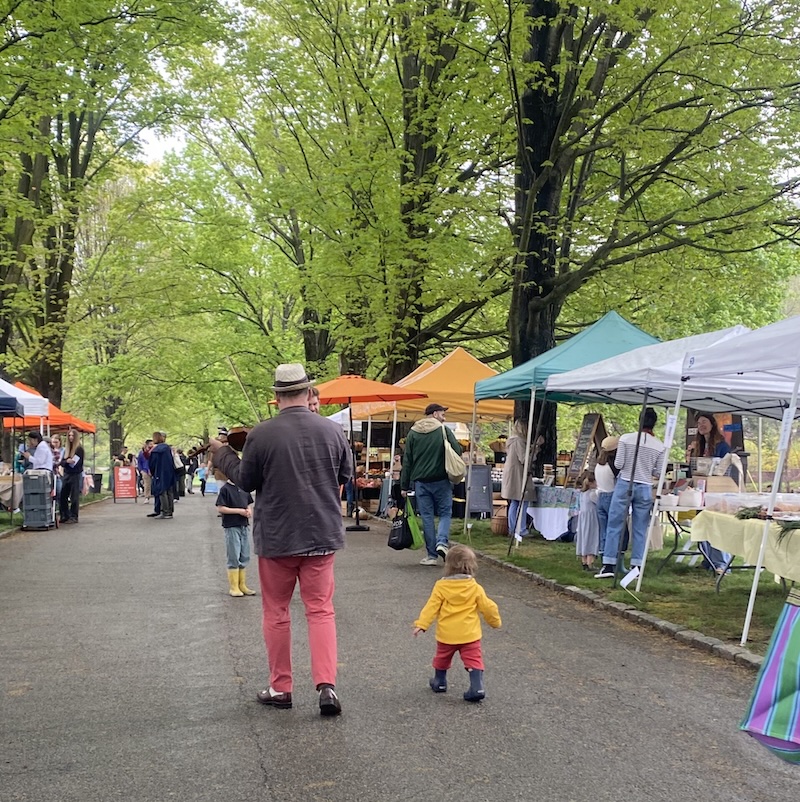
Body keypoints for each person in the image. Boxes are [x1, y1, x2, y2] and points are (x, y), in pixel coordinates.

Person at [207, 362, 352, 717]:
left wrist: (223, 452)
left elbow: (245, 480)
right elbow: (345, 474)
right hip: (321, 531)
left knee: (276, 612)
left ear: (276, 396)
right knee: (320, 610)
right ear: (308, 392)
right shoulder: (333, 432)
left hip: (278, 535)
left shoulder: (262, 434)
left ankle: (281, 687)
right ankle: (327, 686)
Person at [413, 544, 501, 702]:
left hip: (447, 634)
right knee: (474, 660)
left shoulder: (441, 586)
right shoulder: (475, 587)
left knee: (442, 657)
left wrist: (422, 624)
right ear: (472, 566)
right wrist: (494, 622)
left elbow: (431, 607)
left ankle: (439, 682)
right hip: (470, 634)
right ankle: (477, 686)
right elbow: (488, 607)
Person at [595, 408, 665, 579]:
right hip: (645, 486)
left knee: (615, 524)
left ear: (639, 420)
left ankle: (609, 565)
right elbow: (659, 471)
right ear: (654, 423)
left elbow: (618, 464)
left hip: (625, 482)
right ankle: (637, 566)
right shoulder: (660, 446)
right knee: (640, 527)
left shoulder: (626, 438)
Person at [400, 403, 463, 566]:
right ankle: (442, 542)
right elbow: (458, 450)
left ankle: (431, 556)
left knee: (427, 516)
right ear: (435, 414)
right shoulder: (443, 430)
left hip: (421, 482)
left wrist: (404, 486)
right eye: (443, 414)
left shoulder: (413, 433)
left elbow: (407, 461)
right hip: (441, 480)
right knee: (445, 513)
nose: (444, 417)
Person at [687, 412, 732, 574]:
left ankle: (721, 563)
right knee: (703, 524)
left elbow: (724, 468)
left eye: (704, 422)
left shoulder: (721, 445)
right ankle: (708, 559)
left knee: (715, 526)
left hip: (717, 491)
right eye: (699, 423)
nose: (701, 425)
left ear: (712, 424)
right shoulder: (699, 445)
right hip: (701, 490)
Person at [214, 468, 256, 597]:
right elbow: (220, 508)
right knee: (234, 554)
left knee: (244, 554)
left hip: (244, 525)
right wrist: (238, 511)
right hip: (231, 525)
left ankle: (242, 584)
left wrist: (248, 511)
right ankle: (233, 586)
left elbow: (248, 503)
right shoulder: (225, 489)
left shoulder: (244, 488)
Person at [501, 419, 536, 538]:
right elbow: (524, 459)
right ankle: (520, 529)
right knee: (522, 501)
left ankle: (512, 528)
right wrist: (535, 450)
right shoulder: (519, 441)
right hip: (518, 475)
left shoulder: (511, 441)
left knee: (514, 502)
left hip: (512, 474)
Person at [595, 436, 620, 563]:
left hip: (600, 496)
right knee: (614, 529)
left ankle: (603, 555)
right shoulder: (614, 465)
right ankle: (613, 557)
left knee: (603, 529)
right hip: (611, 496)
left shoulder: (599, 464)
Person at [148, 431, 176, 519]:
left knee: (162, 492)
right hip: (169, 472)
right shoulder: (167, 448)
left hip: (159, 472)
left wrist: (152, 472)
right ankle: (170, 511)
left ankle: (165, 511)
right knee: (169, 491)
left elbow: (152, 464)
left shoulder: (156, 450)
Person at [575, 471, 599, 571]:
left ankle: (584, 561)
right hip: (591, 518)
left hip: (583, 519)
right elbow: (599, 503)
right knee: (591, 538)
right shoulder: (592, 494)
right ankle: (590, 562)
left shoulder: (582, 494)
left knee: (583, 537)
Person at [59, 428, 84, 524]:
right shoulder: (66, 450)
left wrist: (68, 462)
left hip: (75, 474)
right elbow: (62, 462)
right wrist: (67, 462)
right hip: (67, 474)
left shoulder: (79, 449)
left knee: (74, 496)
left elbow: (77, 463)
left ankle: (74, 516)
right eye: (69, 435)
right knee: (63, 495)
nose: (71, 437)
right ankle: (64, 515)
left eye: (73, 436)